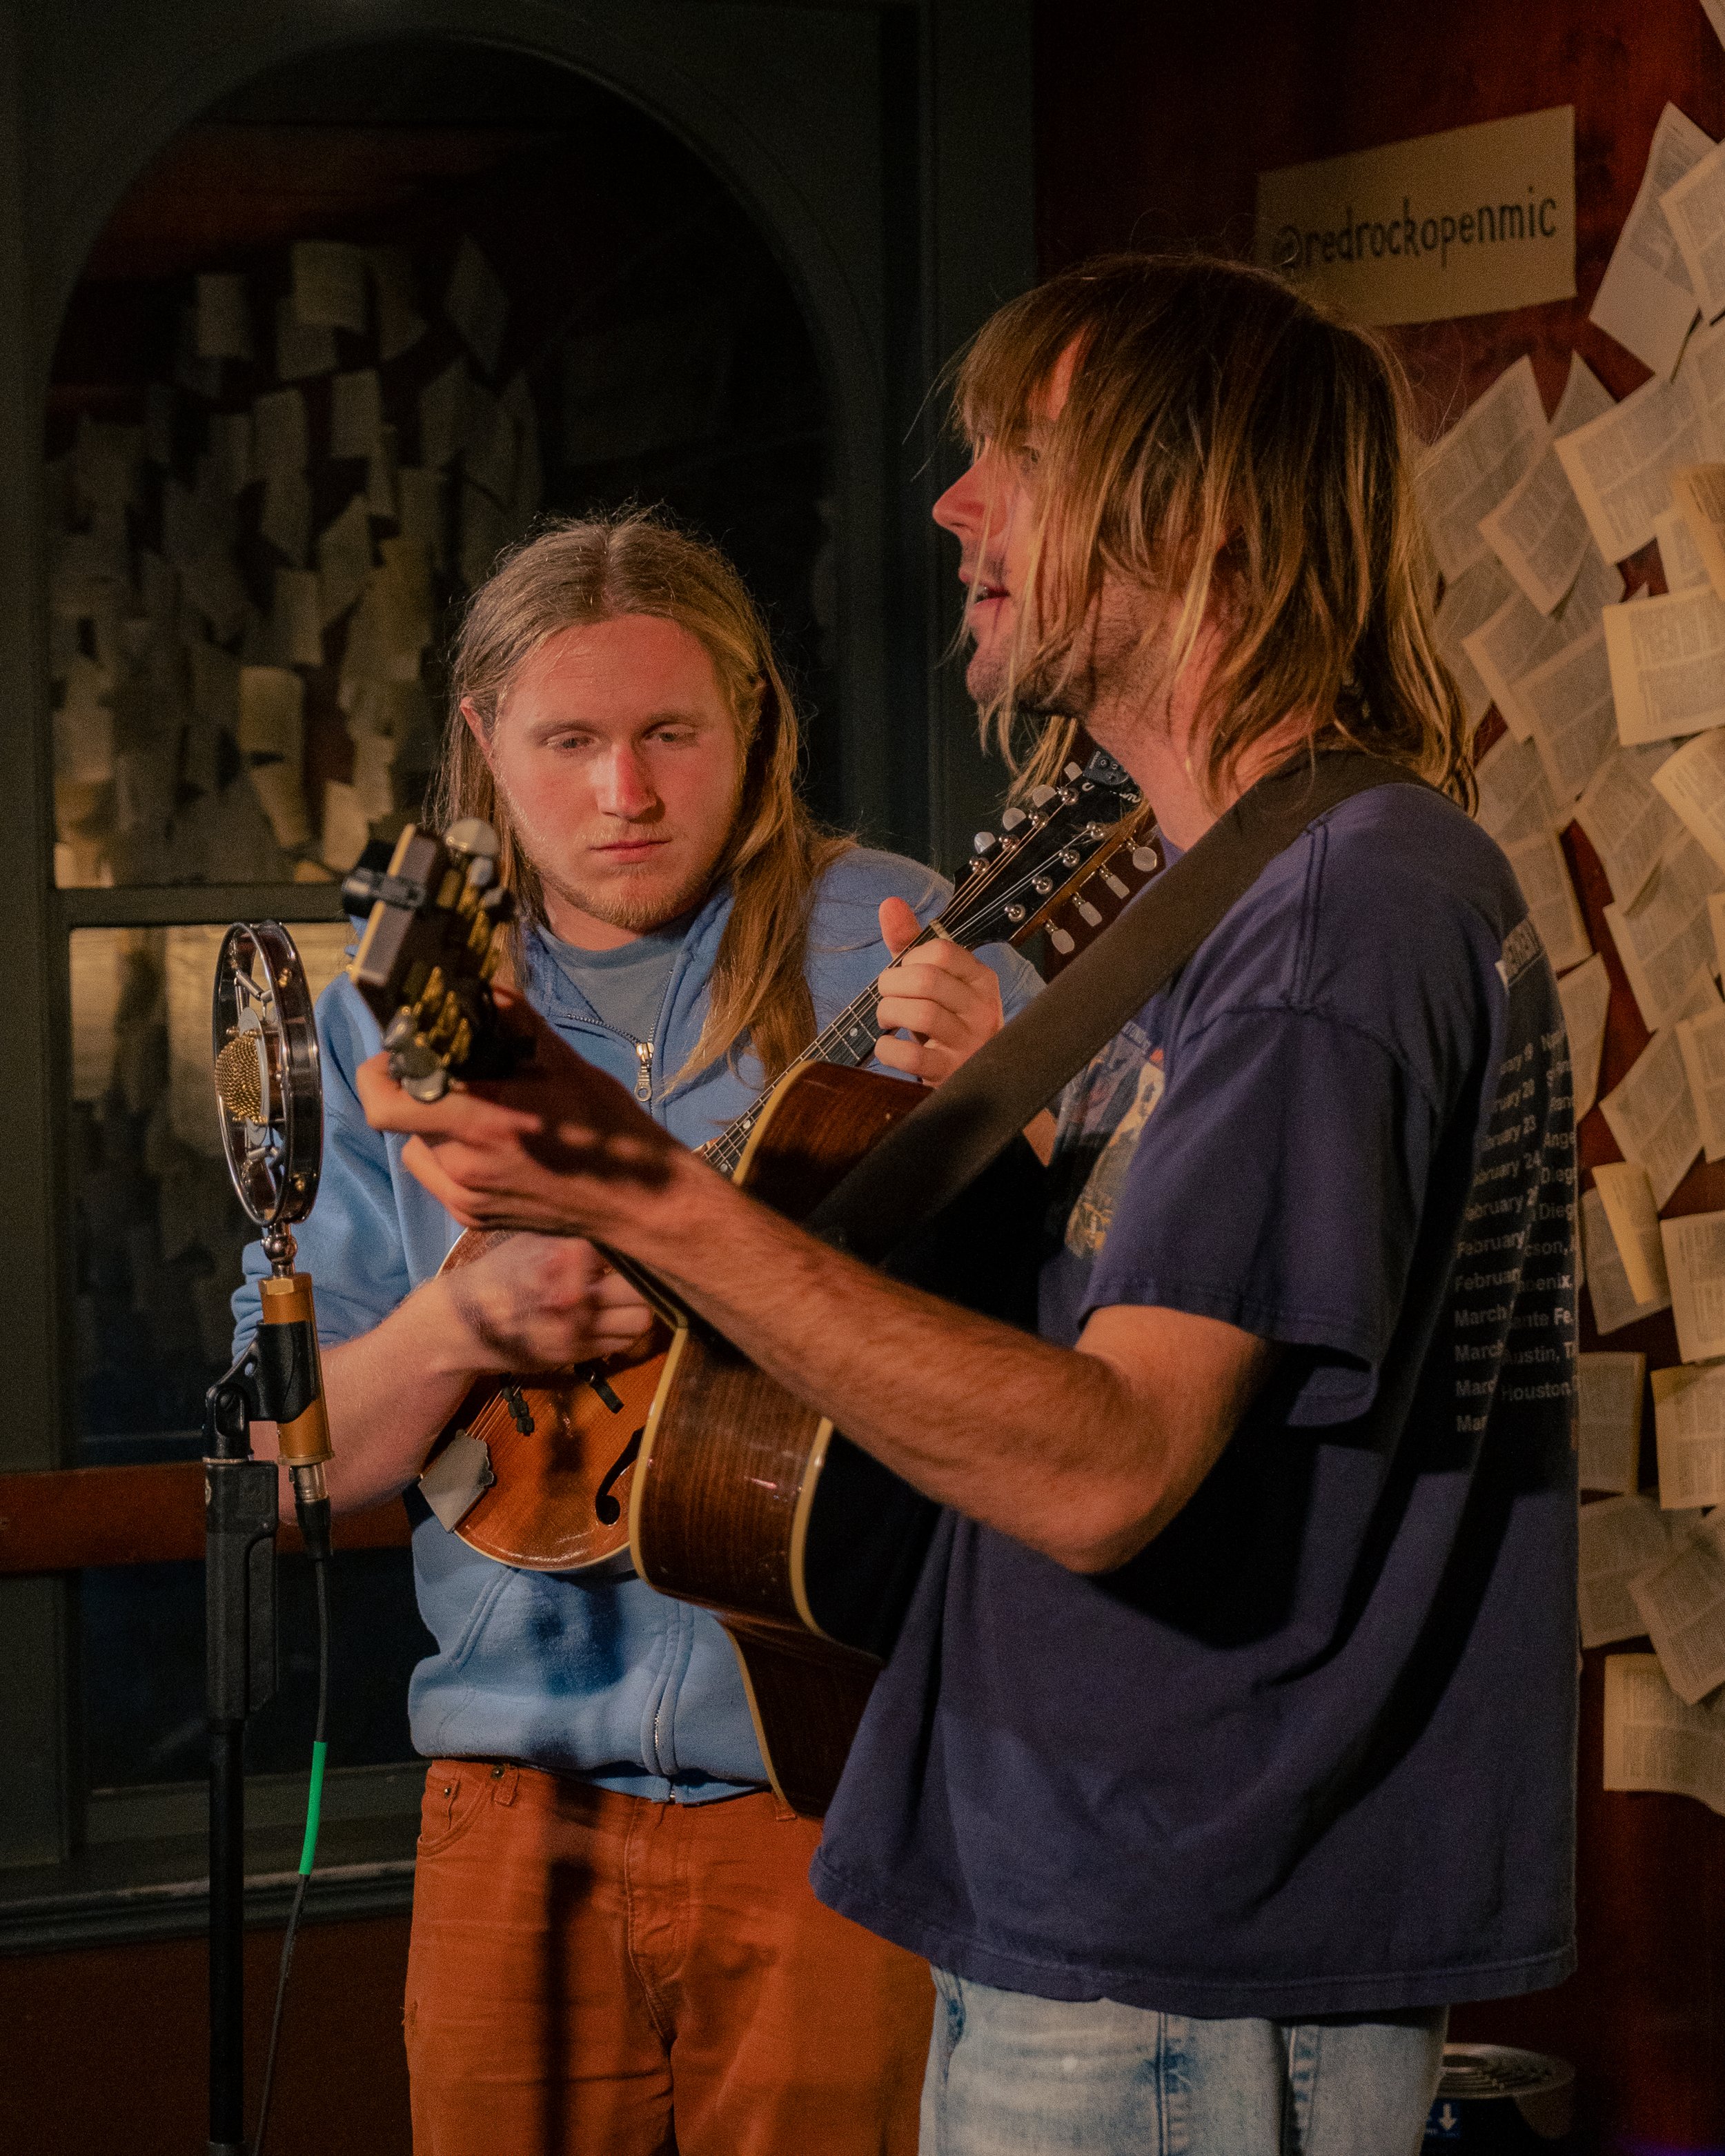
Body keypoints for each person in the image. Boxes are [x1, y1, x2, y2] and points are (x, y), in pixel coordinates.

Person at [356, 256, 1579, 2156]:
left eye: (1016, 451)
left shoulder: (1336, 915)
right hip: (1087, 1914)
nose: (953, 504)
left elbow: (1107, 1465)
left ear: (1187, 517)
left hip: (1181, 1948)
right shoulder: (1232, 900)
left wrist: (645, 1195)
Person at [233, 511, 1040, 2156]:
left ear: (753, 724)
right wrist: (468, 1318)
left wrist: (1009, 1116)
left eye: (672, 734)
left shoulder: (887, 939)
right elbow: (299, 1468)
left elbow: (1052, 1366)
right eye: (571, 742)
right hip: (511, 1801)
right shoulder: (389, 1007)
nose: (627, 793)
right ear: (482, 744)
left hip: (840, 1785)